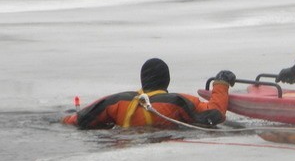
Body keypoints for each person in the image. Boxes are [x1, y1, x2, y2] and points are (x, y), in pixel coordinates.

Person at [62, 58, 236, 129]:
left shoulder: (117, 102)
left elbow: (79, 120)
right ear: (167, 79)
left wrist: (67, 117)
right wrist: (221, 83)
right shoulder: (177, 102)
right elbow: (215, 114)